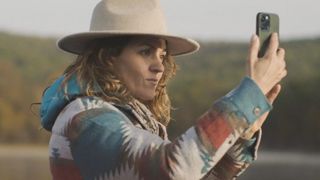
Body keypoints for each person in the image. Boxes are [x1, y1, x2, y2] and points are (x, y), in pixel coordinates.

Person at [40, 0, 287, 179]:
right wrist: (247, 97)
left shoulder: (124, 117)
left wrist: (244, 133)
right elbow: (172, 169)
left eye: (162, 54)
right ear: (108, 58)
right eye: (145, 51)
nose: (159, 66)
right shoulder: (87, 117)